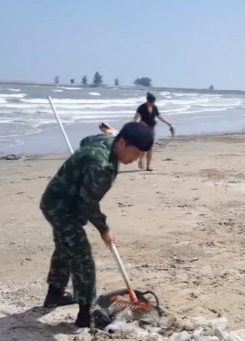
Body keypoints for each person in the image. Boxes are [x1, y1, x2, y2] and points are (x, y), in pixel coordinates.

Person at [40, 122, 155, 328]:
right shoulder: (100, 165)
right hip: (60, 207)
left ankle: (54, 295)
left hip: (67, 201)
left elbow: (86, 141)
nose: (136, 158)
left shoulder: (108, 141)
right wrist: (104, 228)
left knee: (65, 248)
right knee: (81, 257)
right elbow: (88, 202)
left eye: (141, 155)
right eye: (135, 153)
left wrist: (84, 159)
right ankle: (86, 315)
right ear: (121, 143)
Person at [133, 93, 173, 171]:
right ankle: (140, 160)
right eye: (151, 102)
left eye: (153, 102)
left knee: (149, 148)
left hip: (151, 129)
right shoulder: (141, 107)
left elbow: (159, 116)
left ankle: (148, 166)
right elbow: (135, 118)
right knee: (143, 149)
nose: (152, 104)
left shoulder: (154, 107)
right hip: (143, 130)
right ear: (147, 101)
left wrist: (168, 123)